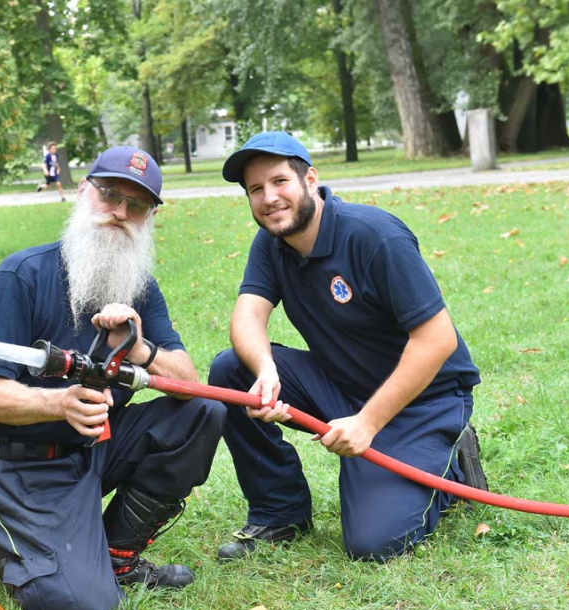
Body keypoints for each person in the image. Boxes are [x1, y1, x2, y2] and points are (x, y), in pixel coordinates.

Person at [0, 146, 225, 610]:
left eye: (137, 205)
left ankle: (117, 555)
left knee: (203, 413)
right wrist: (59, 402)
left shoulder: (140, 288)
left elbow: (190, 384)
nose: (120, 212)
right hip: (13, 462)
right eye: (109, 194)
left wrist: (138, 348)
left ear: (150, 217)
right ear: (82, 191)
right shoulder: (20, 277)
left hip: (89, 451)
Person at [207, 131, 486, 563]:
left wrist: (367, 423)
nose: (269, 198)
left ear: (310, 180)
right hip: (342, 385)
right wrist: (265, 369)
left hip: (422, 401)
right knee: (232, 371)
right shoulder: (272, 242)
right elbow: (247, 316)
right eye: (255, 189)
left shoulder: (375, 235)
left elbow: (437, 339)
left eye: (279, 181)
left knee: (373, 543)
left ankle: (452, 462)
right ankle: (280, 513)